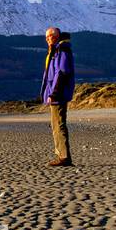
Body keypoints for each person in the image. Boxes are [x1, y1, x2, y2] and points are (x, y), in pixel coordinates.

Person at [40, 27, 75, 167]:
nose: (49, 38)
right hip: (56, 93)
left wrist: (54, 93)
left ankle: (64, 157)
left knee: (58, 125)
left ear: (58, 36)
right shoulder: (56, 50)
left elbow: (62, 72)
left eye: (51, 36)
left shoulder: (62, 50)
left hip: (58, 95)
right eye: (47, 37)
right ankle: (61, 155)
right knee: (55, 125)